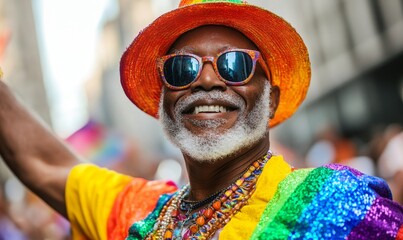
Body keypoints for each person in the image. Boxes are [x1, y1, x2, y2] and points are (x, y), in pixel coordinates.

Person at [0, 0, 402, 239]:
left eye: (235, 64)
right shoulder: (140, 216)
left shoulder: (332, 203)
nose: (208, 80)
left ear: (270, 95)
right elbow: (46, 165)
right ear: (164, 99)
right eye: (181, 69)